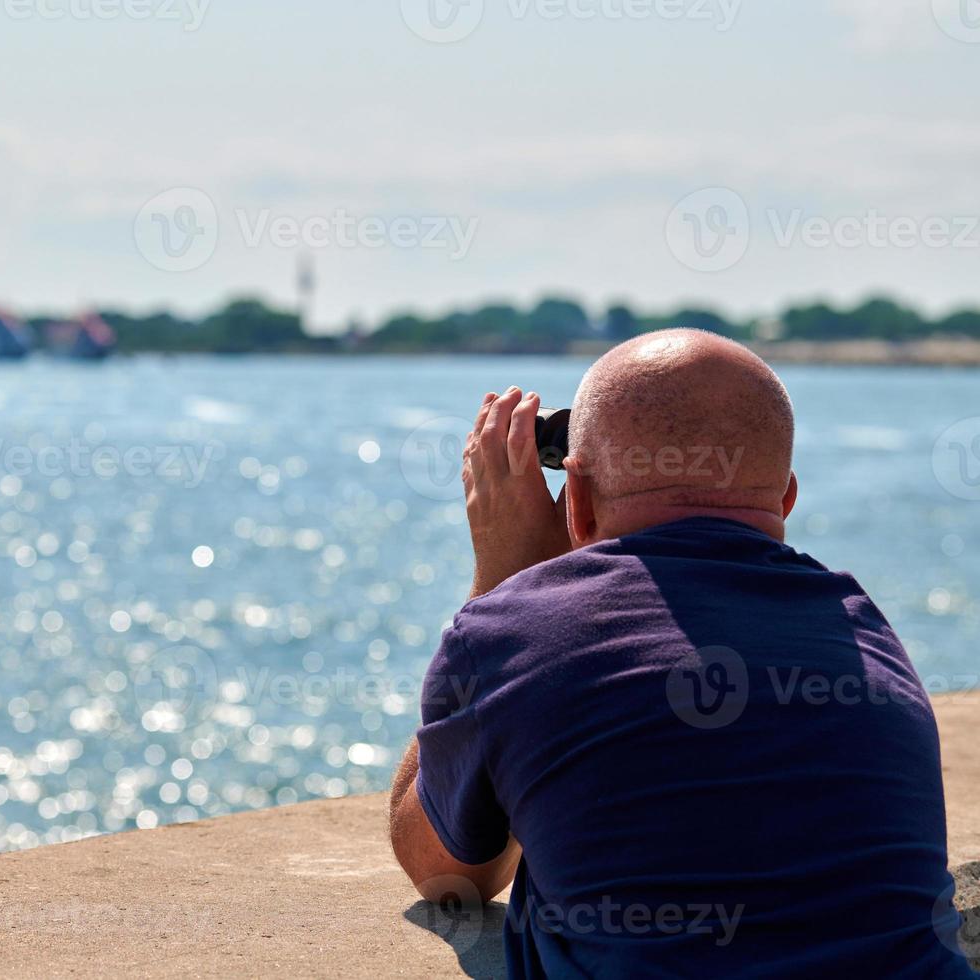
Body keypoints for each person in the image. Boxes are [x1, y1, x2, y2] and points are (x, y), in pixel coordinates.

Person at [388, 330, 973, 977]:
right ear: (785, 498)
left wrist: (503, 583)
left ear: (575, 500)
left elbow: (447, 871)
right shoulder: (866, 633)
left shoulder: (513, 633)